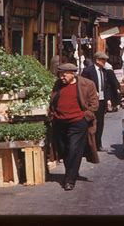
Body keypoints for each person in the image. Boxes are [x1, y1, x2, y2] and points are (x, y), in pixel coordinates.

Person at [48, 63, 99, 191]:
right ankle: (72, 171)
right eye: (60, 74)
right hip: (60, 122)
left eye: (64, 74)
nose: (61, 77)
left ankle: (69, 180)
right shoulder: (58, 84)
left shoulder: (87, 84)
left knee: (74, 148)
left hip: (77, 122)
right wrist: (52, 113)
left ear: (73, 73)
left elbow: (94, 104)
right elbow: (53, 99)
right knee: (64, 149)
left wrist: (85, 116)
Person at [81, 51, 118, 152]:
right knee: (90, 122)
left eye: (105, 60)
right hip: (91, 101)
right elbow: (83, 85)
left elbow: (106, 87)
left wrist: (108, 99)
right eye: (103, 60)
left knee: (100, 122)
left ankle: (98, 144)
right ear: (97, 60)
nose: (105, 62)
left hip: (101, 100)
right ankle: (88, 145)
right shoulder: (88, 71)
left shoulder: (104, 71)